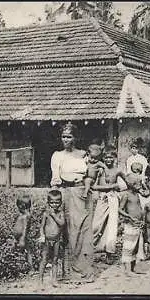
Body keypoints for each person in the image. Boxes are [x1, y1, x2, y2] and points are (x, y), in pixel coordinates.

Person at [50, 122, 95, 282]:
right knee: (68, 232)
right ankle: (68, 271)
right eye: (63, 137)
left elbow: (91, 174)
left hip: (82, 194)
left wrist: (86, 187)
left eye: (69, 136)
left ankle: (84, 271)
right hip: (65, 194)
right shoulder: (57, 155)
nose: (66, 140)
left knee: (83, 231)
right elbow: (55, 179)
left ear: (75, 138)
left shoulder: (84, 154)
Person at [91, 147, 127, 264]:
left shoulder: (117, 170)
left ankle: (109, 253)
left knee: (111, 226)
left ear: (115, 158)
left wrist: (120, 188)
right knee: (96, 225)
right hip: (102, 198)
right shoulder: (100, 170)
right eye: (106, 157)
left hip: (113, 198)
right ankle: (92, 250)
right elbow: (94, 186)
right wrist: (111, 186)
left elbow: (128, 182)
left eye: (111, 157)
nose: (108, 160)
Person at [118, 173, 147, 276]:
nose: (139, 186)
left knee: (135, 247)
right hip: (130, 224)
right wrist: (129, 217)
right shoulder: (126, 195)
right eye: (137, 184)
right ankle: (127, 270)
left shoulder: (137, 194)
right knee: (128, 247)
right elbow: (119, 209)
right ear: (130, 184)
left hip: (137, 224)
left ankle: (133, 268)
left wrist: (142, 219)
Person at [37, 189, 65, 287]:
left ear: (60, 202)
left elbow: (62, 223)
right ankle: (40, 280)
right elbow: (42, 227)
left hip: (56, 240)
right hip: (47, 240)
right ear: (48, 203)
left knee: (55, 259)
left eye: (57, 202)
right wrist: (42, 235)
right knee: (44, 259)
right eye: (52, 203)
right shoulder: (46, 214)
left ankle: (54, 280)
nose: (54, 205)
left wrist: (54, 215)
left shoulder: (61, 213)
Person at [13, 195, 33, 270]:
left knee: (27, 252)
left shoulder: (26, 216)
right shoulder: (22, 215)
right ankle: (19, 266)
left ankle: (30, 268)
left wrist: (22, 238)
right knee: (20, 251)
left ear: (22, 206)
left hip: (22, 237)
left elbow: (25, 228)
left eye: (18, 206)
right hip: (18, 237)